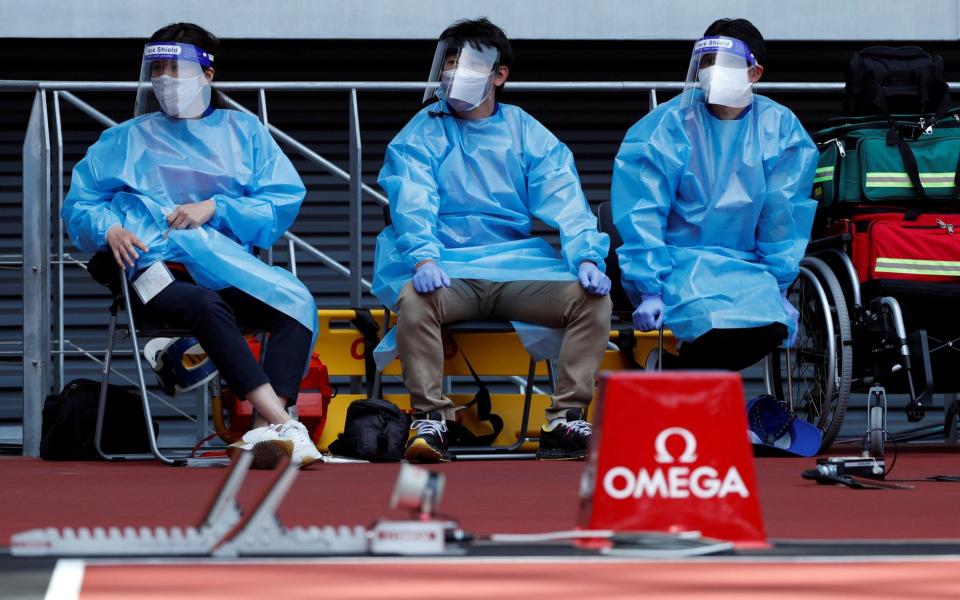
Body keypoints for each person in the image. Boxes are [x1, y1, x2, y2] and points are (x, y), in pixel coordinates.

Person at [61, 23, 322, 468]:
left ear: (208, 74)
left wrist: (215, 208)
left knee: (294, 304)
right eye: (157, 68)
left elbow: (280, 200)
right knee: (204, 306)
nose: (165, 78)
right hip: (147, 270)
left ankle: (265, 430)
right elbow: (79, 204)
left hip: (224, 267)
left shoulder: (244, 132)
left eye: (176, 67)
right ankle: (284, 424)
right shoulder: (123, 138)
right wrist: (109, 229)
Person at [372, 18, 613, 463]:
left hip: (516, 270)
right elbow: (412, 198)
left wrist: (587, 258)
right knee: (413, 299)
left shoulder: (525, 131)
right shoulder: (423, 130)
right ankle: (431, 420)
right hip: (448, 271)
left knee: (592, 301)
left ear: (499, 75)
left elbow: (565, 197)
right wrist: (424, 258)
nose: (452, 74)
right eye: (448, 63)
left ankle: (564, 419)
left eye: (465, 64)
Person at [612, 18, 817, 371]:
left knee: (768, 327)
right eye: (706, 62)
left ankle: (676, 376)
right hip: (679, 264)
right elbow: (643, 209)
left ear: (755, 73)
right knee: (715, 326)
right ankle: (702, 405)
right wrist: (649, 286)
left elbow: (783, 215)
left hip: (746, 268)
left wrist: (779, 285)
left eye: (725, 64)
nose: (712, 72)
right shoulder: (668, 125)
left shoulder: (780, 128)